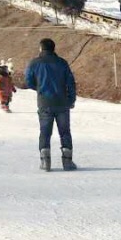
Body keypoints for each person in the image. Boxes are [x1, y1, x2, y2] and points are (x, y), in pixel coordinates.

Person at [24, 37, 78, 171]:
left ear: (41, 48)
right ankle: (67, 162)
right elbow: (70, 83)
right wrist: (71, 100)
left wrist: (40, 88)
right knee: (65, 132)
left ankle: (45, 162)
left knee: (45, 132)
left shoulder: (35, 63)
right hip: (62, 102)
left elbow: (29, 81)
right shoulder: (62, 63)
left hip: (44, 102)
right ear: (54, 49)